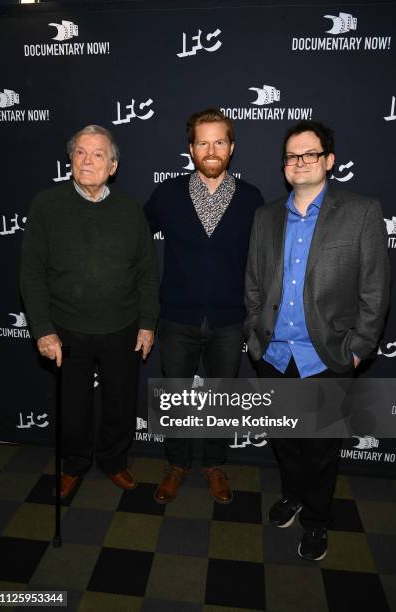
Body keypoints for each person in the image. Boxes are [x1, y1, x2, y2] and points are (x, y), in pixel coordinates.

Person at [245, 120, 390, 560]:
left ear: (329, 160)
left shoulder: (361, 211)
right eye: (292, 156)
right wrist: (254, 329)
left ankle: (317, 520)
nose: (300, 162)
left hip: (326, 357)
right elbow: (253, 281)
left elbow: (375, 290)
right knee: (285, 442)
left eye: (310, 154)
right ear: (284, 165)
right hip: (273, 355)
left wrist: (360, 347)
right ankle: (292, 496)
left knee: (322, 453)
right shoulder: (265, 215)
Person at [20, 125, 159, 498]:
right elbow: (31, 273)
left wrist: (147, 324)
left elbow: (148, 272)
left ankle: (114, 461)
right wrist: (43, 330)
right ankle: (75, 463)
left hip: (122, 327)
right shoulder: (46, 205)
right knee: (73, 407)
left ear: (112, 166)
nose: (87, 161)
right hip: (66, 329)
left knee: (120, 402)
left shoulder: (130, 210)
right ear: (70, 159)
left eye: (98, 154)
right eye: (80, 152)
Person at [145, 108, 264, 504]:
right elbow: (135, 244)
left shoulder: (251, 199)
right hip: (177, 318)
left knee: (221, 397)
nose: (211, 150)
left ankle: (214, 464)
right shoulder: (166, 195)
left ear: (231, 147)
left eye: (219, 142)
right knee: (175, 397)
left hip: (230, 322)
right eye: (202, 143)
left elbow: (264, 261)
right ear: (191, 149)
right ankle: (177, 464)